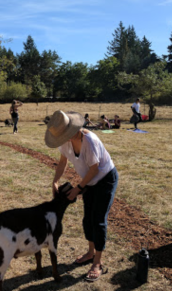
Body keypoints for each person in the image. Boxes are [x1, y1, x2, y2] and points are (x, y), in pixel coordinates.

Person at [45, 110, 118, 282]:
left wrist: (78, 188)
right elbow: (63, 161)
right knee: (87, 219)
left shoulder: (89, 141)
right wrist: (55, 181)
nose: (63, 140)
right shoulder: (65, 142)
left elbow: (94, 169)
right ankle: (91, 253)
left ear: (72, 130)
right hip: (89, 181)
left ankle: (97, 263)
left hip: (105, 180)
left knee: (98, 220)